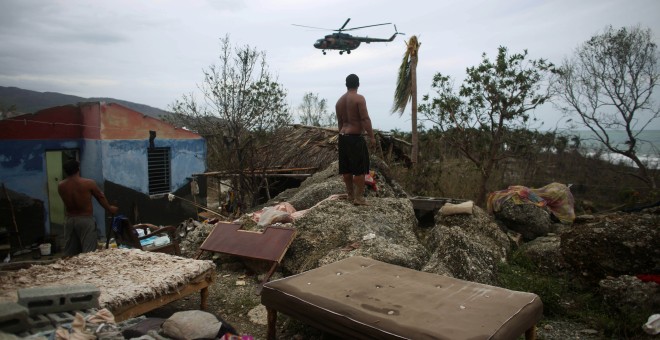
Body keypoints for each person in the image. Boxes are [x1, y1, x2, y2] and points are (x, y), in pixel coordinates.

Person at [58, 159, 118, 257]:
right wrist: (110, 208)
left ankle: (71, 270)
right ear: (78, 169)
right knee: (88, 252)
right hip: (85, 219)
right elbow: (100, 197)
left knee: (70, 253)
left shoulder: (61, 186)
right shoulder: (88, 183)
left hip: (69, 220)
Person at [335, 73, 376, 205]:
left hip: (343, 137)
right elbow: (365, 119)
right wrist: (371, 136)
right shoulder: (359, 99)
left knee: (346, 169)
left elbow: (340, 123)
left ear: (346, 85)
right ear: (358, 84)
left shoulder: (339, 101)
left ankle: (350, 195)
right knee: (359, 169)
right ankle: (359, 198)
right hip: (354, 137)